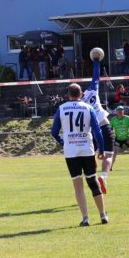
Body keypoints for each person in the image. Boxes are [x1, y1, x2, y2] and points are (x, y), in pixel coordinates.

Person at [51, 83, 108, 226]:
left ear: (68, 94)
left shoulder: (61, 108)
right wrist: (101, 149)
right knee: (93, 182)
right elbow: (97, 131)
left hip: (71, 151)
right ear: (81, 94)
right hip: (87, 149)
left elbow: (54, 132)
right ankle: (103, 215)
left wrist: (63, 141)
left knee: (78, 186)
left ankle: (85, 218)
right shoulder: (88, 108)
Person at [82, 55, 116, 195]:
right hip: (104, 125)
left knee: (92, 157)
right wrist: (96, 61)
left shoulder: (79, 104)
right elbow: (96, 76)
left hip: (91, 132)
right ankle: (104, 176)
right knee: (109, 155)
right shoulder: (92, 91)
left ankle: (95, 179)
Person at [110, 105, 129, 170]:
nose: (120, 112)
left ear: (123, 111)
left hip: (127, 139)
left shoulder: (128, 119)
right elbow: (110, 129)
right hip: (118, 139)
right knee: (114, 153)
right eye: (119, 110)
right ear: (116, 111)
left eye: (121, 110)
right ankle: (110, 167)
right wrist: (111, 136)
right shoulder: (113, 120)